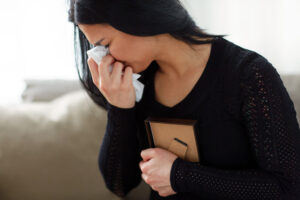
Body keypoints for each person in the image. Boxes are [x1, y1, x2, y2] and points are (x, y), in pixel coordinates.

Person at [68, 0, 300, 199]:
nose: (104, 59)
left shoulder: (248, 75)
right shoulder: (138, 83)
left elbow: (287, 188)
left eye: (105, 45)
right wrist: (119, 107)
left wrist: (179, 175)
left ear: (136, 16)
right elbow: (119, 184)